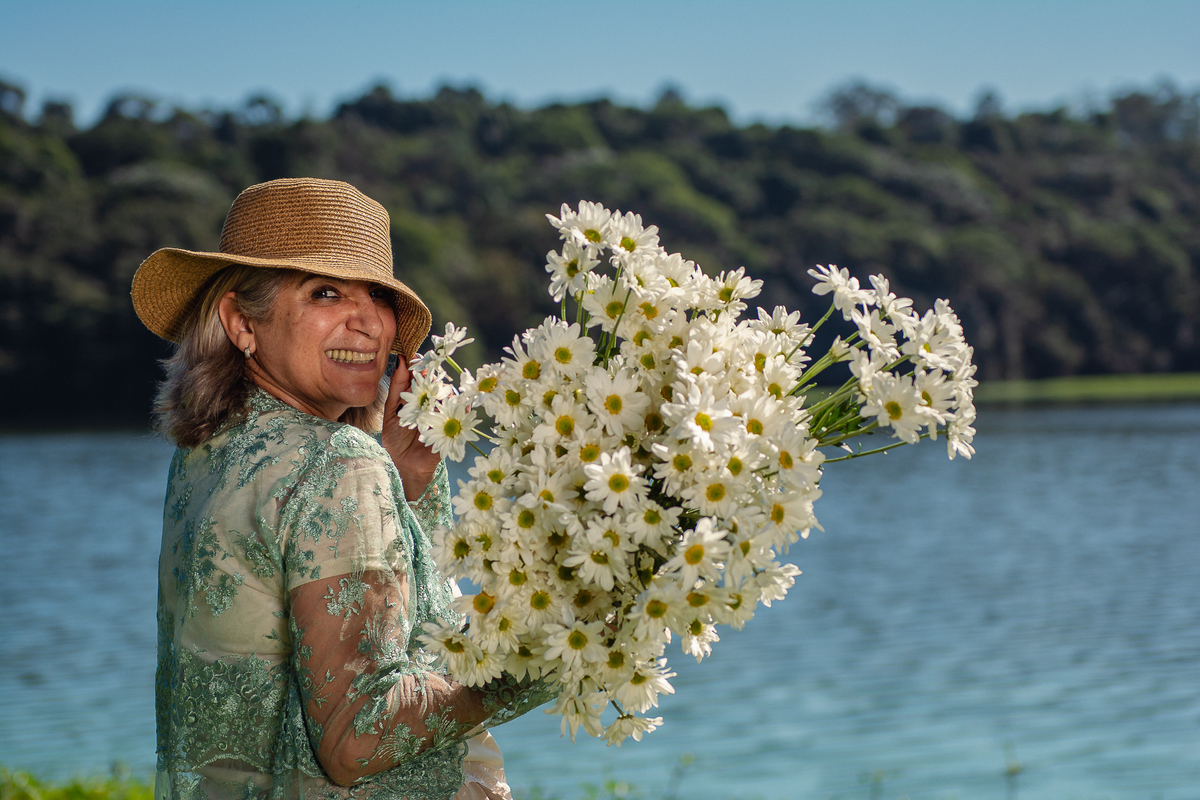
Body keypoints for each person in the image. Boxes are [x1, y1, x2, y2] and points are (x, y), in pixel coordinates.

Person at [132, 178, 544, 800]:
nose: (368, 321)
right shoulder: (339, 464)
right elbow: (356, 740)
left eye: (378, 295)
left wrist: (401, 490)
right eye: (324, 292)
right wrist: (548, 656)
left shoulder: (203, 457)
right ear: (242, 321)